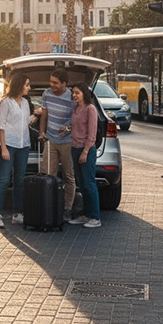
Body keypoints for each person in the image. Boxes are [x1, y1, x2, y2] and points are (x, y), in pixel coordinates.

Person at [0, 72, 32, 229]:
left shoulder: (26, 103)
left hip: (24, 145)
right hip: (8, 145)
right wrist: (3, 148)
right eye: (27, 85)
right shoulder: (6, 102)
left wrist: (36, 116)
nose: (29, 88)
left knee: (19, 180)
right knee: (3, 180)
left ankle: (17, 213)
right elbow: (0, 125)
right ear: (19, 85)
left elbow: (25, 122)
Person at [38, 68, 77, 222]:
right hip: (51, 140)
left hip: (67, 142)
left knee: (69, 176)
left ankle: (67, 209)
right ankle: (50, 207)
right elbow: (44, 114)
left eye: (55, 83)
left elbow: (78, 118)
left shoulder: (72, 97)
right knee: (48, 175)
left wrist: (69, 128)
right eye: (51, 81)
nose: (52, 85)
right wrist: (42, 132)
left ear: (64, 84)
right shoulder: (47, 94)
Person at [67, 82, 102, 228]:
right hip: (75, 148)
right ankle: (86, 214)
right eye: (73, 93)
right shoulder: (76, 109)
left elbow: (92, 134)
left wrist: (85, 152)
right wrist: (67, 129)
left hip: (85, 150)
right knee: (81, 183)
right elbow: (78, 127)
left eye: (77, 93)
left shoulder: (90, 109)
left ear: (84, 94)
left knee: (89, 183)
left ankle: (95, 217)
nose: (74, 95)